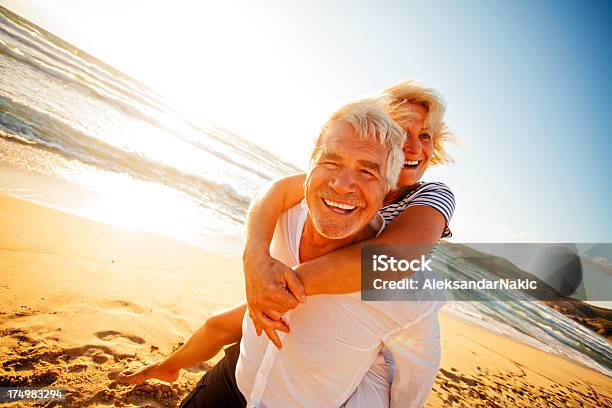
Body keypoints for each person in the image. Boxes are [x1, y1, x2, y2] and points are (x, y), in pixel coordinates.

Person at [119, 80, 456, 406]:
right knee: (219, 325)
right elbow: (276, 192)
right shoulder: (331, 180)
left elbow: (397, 256)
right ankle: (170, 365)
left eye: (425, 136)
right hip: (253, 366)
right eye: (402, 130)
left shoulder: (429, 196)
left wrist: (278, 287)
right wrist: (255, 261)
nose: (413, 146)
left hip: (360, 344)